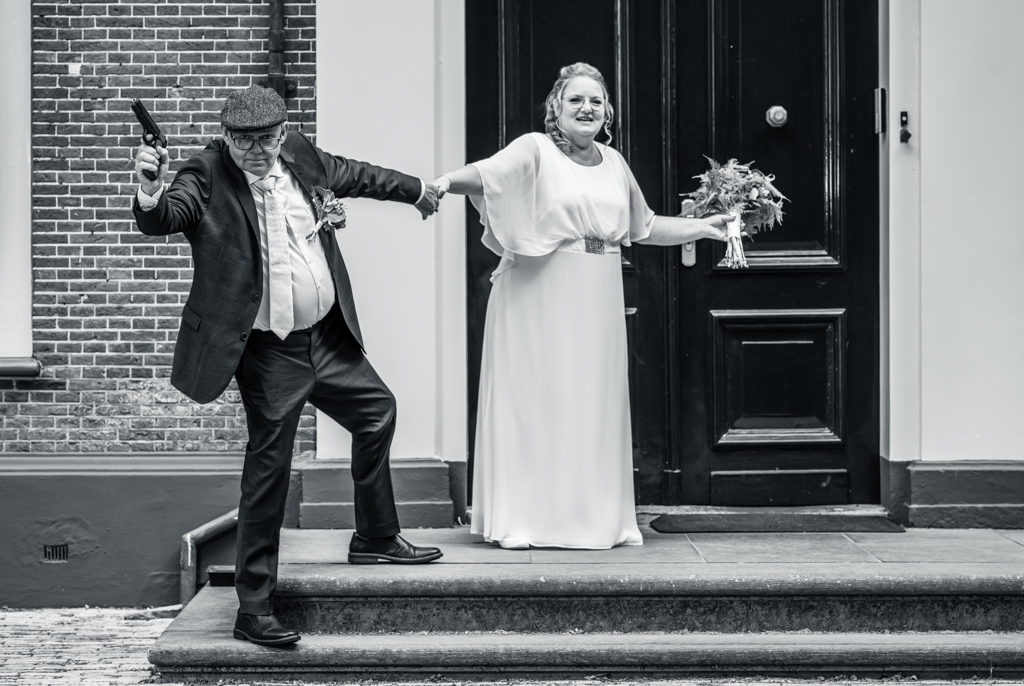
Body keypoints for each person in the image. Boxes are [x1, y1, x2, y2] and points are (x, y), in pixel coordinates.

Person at [132, 85, 443, 647]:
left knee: (377, 412)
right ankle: (254, 608)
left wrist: (417, 190)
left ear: (282, 133)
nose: (258, 151)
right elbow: (167, 217)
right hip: (268, 351)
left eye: (267, 139)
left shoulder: (298, 153)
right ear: (226, 137)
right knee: (269, 469)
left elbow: (358, 175)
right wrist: (151, 190)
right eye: (244, 141)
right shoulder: (205, 173)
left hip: (325, 336)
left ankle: (375, 537)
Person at [433, 63, 731, 550]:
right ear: (556, 108)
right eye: (575, 99)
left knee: (591, 401)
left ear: (607, 111)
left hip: (598, 288)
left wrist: (702, 227)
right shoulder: (536, 149)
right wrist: (442, 183)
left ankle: (594, 518)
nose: (586, 108)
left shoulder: (614, 163)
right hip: (538, 289)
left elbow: (644, 226)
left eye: (596, 100)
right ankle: (525, 520)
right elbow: (487, 176)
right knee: (538, 397)